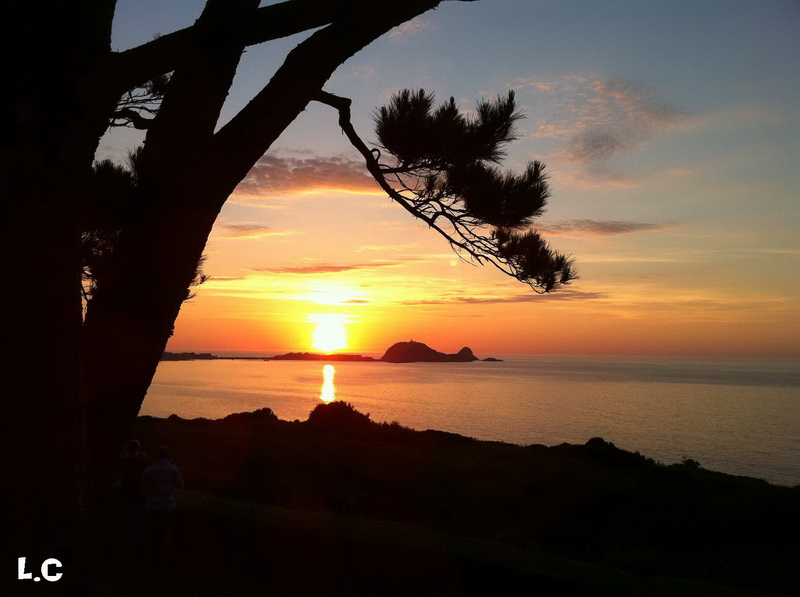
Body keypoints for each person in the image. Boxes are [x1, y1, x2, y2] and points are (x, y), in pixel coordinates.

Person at [141, 445, 184, 563]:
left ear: (156, 455)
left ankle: (147, 557)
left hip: (151, 505)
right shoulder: (173, 469)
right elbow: (181, 484)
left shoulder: (149, 470)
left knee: (149, 532)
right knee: (168, 532)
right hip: (168, 506)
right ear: (168, 455)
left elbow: (143, 486)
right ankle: (167, 558)